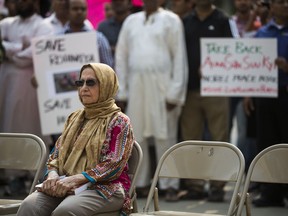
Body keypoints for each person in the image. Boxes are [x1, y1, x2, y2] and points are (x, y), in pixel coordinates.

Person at [16, 63, 135, 216]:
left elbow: (113, 164)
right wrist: (52, 175)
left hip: (104, 187)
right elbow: (56, 154)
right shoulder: (74, 118)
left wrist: (78, 179)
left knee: (65, 211)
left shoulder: (119, 121)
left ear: (106, 85)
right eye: (80, 82)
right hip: (66, 184)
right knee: (29, 206)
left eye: (91, 82)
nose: (84, 87)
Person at [115, 0, 188, 202]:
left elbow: (179, 57)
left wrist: (175, 93)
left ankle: (170, 185)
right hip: (136, 87)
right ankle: (141, 183)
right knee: (137, 137)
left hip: (163, 88)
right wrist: (121, 92)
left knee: (166, 136)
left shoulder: (171, 20)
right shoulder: (131, 21)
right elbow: (121, 56)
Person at [180, 0, 237, 202]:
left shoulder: (223, 20)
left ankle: (217, 186)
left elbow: (232, 53)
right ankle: (194, 186)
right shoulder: (185, 21)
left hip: (216, 90)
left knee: (219, 138)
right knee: (191, 140)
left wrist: (214, 68)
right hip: (189, 91)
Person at [243, 0, 288, 207]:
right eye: (280, 2)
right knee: (267, 144)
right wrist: (248, 93)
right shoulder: (262, 33)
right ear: (272, 7)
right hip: (265, 96)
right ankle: (271, 192)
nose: (285, 6)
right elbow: (251, 64)